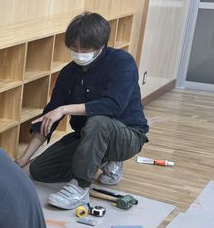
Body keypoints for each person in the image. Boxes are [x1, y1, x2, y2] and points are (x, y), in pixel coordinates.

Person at [16, 12, 148, 209]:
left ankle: (80, 187)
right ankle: (101, 159)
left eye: (84, 49)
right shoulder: (68, 73)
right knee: (40, 169)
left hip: (127, 135)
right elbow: (50, 116)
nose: (78, 53)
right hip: (87, 137)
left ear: (100, 45)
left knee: (98, 121)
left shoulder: (122, 62)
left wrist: (64, 109)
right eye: (74, 48)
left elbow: (112, 105)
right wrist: (23, 159)